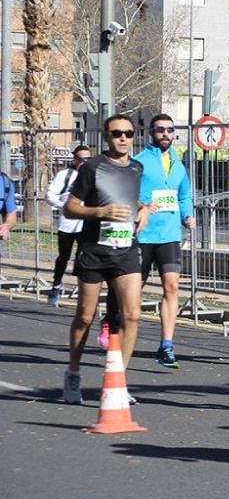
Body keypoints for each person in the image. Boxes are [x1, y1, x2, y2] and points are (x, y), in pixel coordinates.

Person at [62, 115, 149, 404]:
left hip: (125, 250)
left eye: (128, 133)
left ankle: (118, 381)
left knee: (132, 314)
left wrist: (144, 209)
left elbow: (129, 198)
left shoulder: (137, 167)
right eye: (116, 133)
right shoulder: (92, 167)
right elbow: (70, 208)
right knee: (85, 316)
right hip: (94, 250)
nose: (123, 138)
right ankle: (73, 372)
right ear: (106, 136)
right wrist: (101, 213)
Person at [133, 114, 194, 369]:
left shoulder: (179, 165)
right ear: (151, 133)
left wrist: (188, 215)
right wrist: (142, 206)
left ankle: (166, 345)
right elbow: (126, 192)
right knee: (134, 290)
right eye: (160, 130)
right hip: (143, 234)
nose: (166, 134)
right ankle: (114, 320)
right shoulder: (139, 162)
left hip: (169, 235)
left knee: (171, 287)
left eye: (170, 130)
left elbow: (184, 195)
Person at [45, 145, 91, 305]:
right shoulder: (65, 175)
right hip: (67, 223)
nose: (85, 162)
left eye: (88, 159)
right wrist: (63, 205)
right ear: (74, 160)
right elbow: (50, 195)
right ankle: (56, 285)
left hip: (85, 223)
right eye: (81, 159)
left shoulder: (93, 175)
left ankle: (82, 289)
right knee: (64, 256)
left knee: (83, 256)